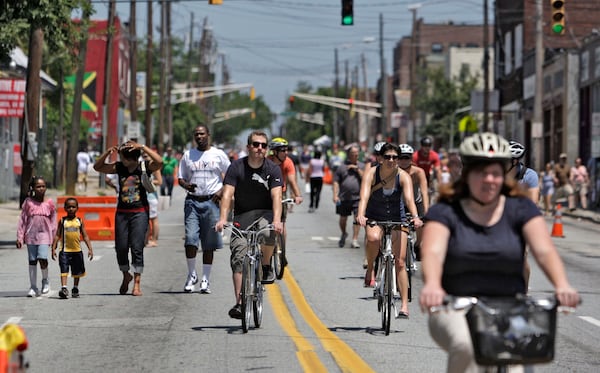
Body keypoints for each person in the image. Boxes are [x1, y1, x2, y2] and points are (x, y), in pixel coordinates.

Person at [418, 133, 580, 372]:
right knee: (466, 346)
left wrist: (562, 284)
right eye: (480, 172)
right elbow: (432, 250)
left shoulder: (520, 208)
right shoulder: (447, 210)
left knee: (522, 360)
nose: (489, 179)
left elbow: (544, 250)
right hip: (455, 307)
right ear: (467, 173)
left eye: (495, 172)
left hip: (509, 308)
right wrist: (432, 285)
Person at [215, 131, 283, 320]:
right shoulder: (236, 167)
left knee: (269, 233)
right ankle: (240, 302)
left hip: (265, 212)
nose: (259, 148)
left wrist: (277, 220)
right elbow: (227, 194)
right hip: (242, 215)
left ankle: (267, 265)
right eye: (255, 144)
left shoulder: (272, 169)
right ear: (248, 147)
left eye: (262, 145)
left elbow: (277, 196)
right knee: (238, 256)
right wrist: (222, 218)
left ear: (266, 149)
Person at [356, 143, 423, 318]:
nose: (391, 160)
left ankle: (404, 306)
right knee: (372, 239)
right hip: (375, 216)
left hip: (397, 218)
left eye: (395, 157)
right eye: (387, 157)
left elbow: (409, 199)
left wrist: (415, 217)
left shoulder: (403, 176)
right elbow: (363, 196)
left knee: (400, 262)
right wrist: (361, 215)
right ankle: (370, 268)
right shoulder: (371, 174)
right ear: (380, 158)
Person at [93, 140, 163, 296]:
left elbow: (159, 162)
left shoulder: (143, 166)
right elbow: (97, 167)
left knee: (137, 247)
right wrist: (107, 152)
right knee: (121, 247)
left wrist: (143, 147)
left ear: (128, 157)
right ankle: (126, 274)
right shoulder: (119, 168)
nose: (121, 159)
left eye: (122, 156)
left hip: (140, 212)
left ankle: (137, 283)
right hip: (122, 213)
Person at [177, 124, 230, 294]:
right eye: (196, 134)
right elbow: (181, 178)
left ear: (208, 135)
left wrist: (221, 191)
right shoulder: (188, 155)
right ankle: (192, 274)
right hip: (193, 201)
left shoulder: (218, 154)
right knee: (191, 239)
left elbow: (230, 175)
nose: (199, 137)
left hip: (211, 202)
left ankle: (206, 279)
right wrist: (187, 185)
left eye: (202, 134)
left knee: (209, 243)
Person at [16, 176, 57, 297]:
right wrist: (20, 237)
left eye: (43, 186)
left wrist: (55, 239)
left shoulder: (49, 203)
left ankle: (46, 281)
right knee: (32, 261)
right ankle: (33, 287)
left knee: (42, 258)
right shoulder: (28, 202)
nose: (41, 189)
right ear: (33, 188)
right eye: (38, 186)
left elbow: (54, 222)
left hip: (45, 235)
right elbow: (22, 220)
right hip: (31, 236)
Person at [268, 137, 303, 266]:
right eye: (282, 150)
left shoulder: (288, 162)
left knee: (282, 224)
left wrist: (298, 195)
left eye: (286, 149)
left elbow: (292, 180)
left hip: (280, 194)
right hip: (266, 194)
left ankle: (282, 251)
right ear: (275, 151)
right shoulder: (267, 162)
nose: (286, 152)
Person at [51, 197, 94, 299]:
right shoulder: (62, 221)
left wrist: (90, 248)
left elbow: (85, 235)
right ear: (65, 208)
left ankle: (75, 288)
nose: (71, 209)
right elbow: (57, 235)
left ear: (77, 208)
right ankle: (64, 288)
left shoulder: (79, 221)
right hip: (64, 251)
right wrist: (53, 247)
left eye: (73, 207)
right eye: (68, 207)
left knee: (77, 271)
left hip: (77, 251)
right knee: (64, 270)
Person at [398, 144, 429, 259]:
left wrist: (426, 211)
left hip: (416, 202)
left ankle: (417, 244)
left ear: (411, 159)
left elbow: (424, 192)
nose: (404, 161)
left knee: (421, 224)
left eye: (407, 158)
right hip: (400, 203)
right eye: (401, 158)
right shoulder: (393, 171)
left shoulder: (418, 172)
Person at [333, 145, 365, 249]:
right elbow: (336, 182)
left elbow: (366, 179)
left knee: (357, 219)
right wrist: (335, 195)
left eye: (357, 153)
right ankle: (344, 233)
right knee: (343, 219)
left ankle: (355, 239)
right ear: (348, 155)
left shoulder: (362, 166)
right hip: (344, 197)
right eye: (353, 153)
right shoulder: (341, 167)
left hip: (358, 198)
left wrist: (357, 169)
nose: (355, 155)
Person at [143, 152, 163, 247]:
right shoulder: (143, 167)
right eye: (143, 156)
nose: (144, 157)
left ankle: (154, 240)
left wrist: (149, 181)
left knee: (153, 219)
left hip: (152, 197)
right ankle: (146, 240)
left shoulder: (154, 167)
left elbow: (159, 181)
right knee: (145, 219)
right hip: (144, 196)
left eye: (146, 156)